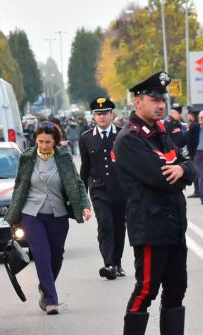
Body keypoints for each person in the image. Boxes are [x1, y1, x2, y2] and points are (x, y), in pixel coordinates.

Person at [113, 71, 196, 335]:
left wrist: (182, 170)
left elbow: (188, 165)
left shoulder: (160, 133)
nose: (161, 105)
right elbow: (162, 180)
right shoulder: (130, 138)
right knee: (147, 289)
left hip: (173, 225)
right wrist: (180, 172)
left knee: (176, 289)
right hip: (150, 226)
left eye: (163, 100)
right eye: (154, 99)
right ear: (138, 102)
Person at [4, 121, 91, 315]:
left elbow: (76, 182)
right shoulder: (27, 158)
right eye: (40, 141)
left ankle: (45, 288)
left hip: (58, 213)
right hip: (31, 214)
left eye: (48, 142)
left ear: (55, 142)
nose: (43, 145)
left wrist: (85, 205)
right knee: (41, 255)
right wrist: (14, 212)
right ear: (35, 140)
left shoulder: (64, 157)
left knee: (56, 256)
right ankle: (52, 300)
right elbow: (20, 186)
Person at [79, 97, 127, 280]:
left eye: (104, 113)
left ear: (111, 114)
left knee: (118, 227)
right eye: (97, 114)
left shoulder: (123, 134)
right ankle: (108, 264)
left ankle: (117, 263)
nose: (101, 117)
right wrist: (82, 197)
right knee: (105, 225)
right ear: (93, 116)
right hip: (99, 190)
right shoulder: (86, 138)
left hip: (120, 190)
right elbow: (85, 168)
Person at [186, 110, 203, 204]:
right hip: (198, 154)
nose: (200, 119)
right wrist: (192, 154)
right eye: (199, 117)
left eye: (202, 117)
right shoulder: (195, 128)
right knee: (202, 174)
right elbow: (189, 141)